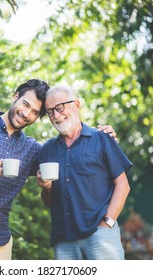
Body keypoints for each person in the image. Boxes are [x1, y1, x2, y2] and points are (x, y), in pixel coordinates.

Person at [0, 79, 116, 260]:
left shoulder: (33, 150)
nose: (26, 114)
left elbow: (69, 160)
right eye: (25, 104)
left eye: (35, 112)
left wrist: (101, 139)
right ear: (16, 96)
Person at [37, 85, 132, 260]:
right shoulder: (48, 150)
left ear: (77, 104)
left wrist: (108, 222)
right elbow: (49, 202)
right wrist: (46, 187)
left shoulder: (102, 138)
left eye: (60, 107)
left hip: (100, 235)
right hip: (64, 239)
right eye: (50, 111)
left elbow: (123, 185)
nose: (56, 115)